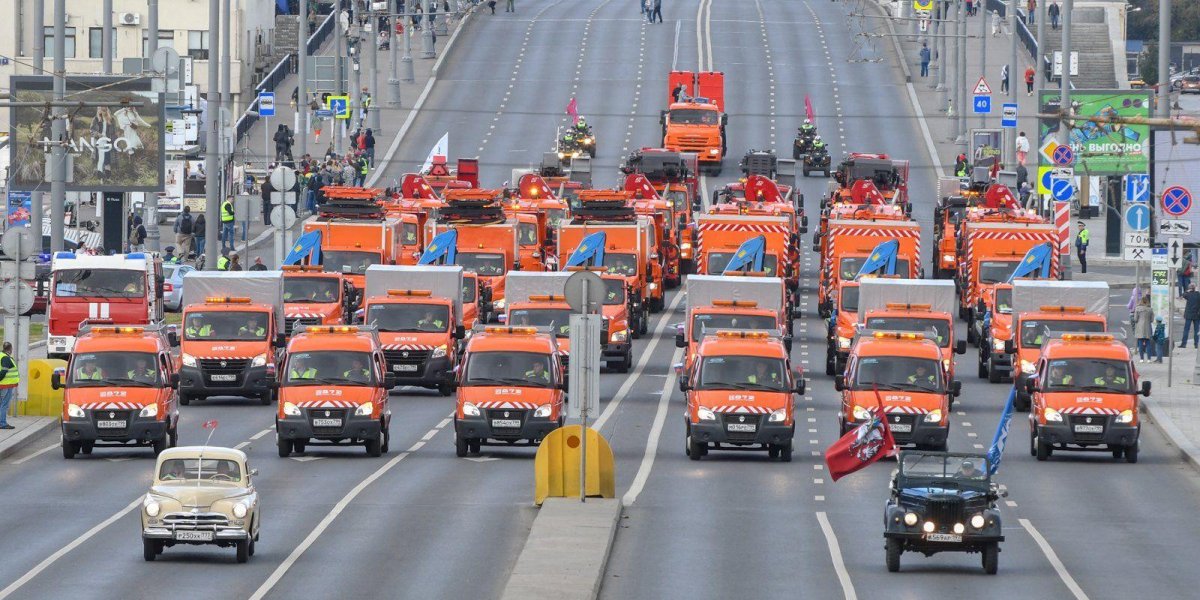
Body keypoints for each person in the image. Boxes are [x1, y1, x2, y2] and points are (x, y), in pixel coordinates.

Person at [0, 343, 17, 429]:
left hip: (4, 385)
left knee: (1, 404)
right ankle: (2, 423)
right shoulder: (6, 358)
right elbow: (3, 372)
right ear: (10, 349)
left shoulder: (1, 355)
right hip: (6, 385)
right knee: (4, 404)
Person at [1133, 296, 1154, 363]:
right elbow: (1152, 320)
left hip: (1140, 327)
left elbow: (1135, 319)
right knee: (1148, 343)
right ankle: (1149, 359)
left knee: (1140, 343)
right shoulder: (1150, 309)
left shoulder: (1138, 309)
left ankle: (1141, 358)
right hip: (1147, 327)